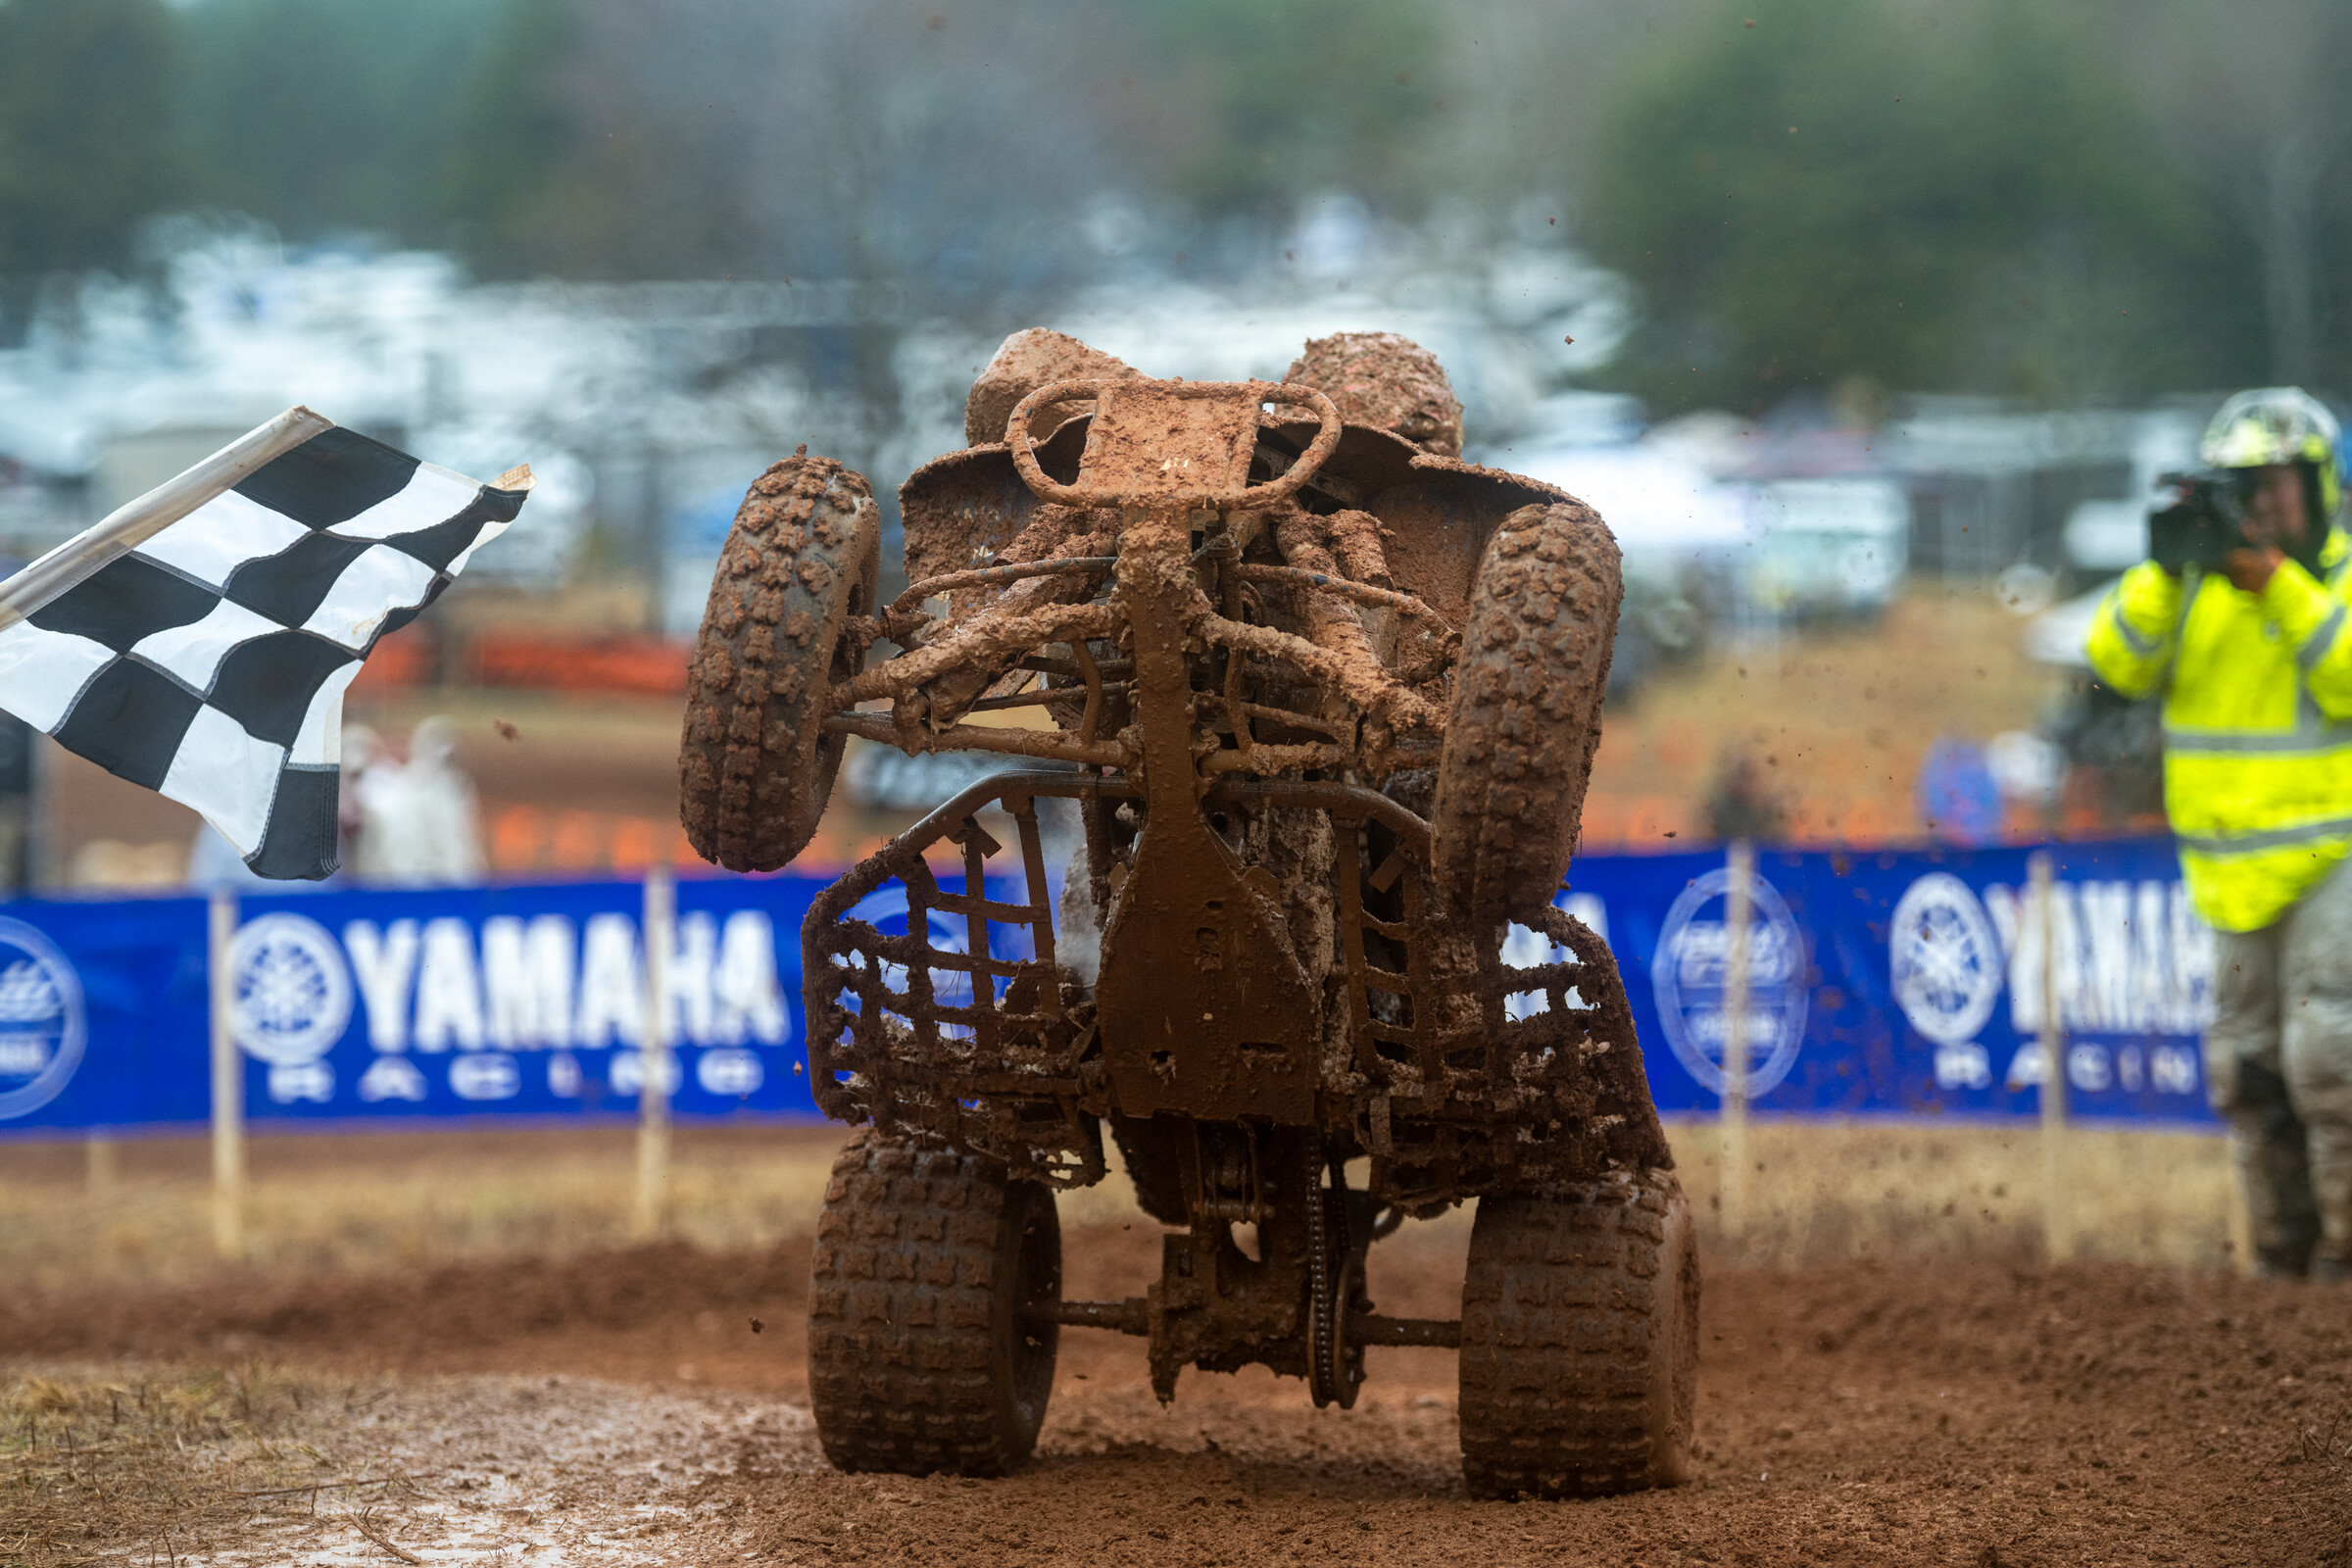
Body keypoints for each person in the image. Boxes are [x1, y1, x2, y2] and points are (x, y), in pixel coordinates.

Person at [2085, 387, 2352, 1280]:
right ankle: (2281, 1261)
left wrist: (2277, 581)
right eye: (2244, 486)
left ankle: (2346, 1259)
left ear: (2319, 484)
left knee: (2331, 1062)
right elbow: (2113, 664)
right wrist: (2165, 571)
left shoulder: (2338, 572)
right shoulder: (2190, 586)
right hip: (2229, 875)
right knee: (2247, 1072)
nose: (2261, 502)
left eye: (2277, 482)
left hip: (2335, 860)